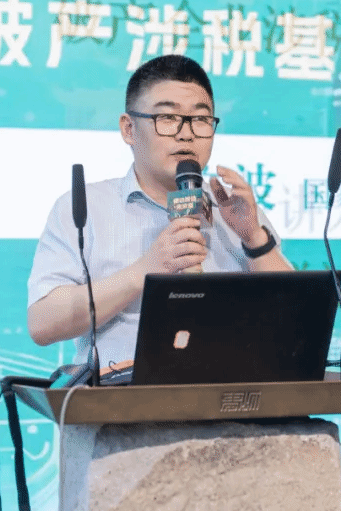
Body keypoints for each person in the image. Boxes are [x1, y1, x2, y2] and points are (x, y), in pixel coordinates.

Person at [26, 55, 293, 372]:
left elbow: (296, 318)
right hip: (122, 397)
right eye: (167, 118)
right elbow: (42, 324)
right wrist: (144, 271)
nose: (186, 134)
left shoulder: (234, 210)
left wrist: (254, 238)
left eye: (200, 119)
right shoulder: (85, 207)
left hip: (231, 393)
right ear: (129, 129)